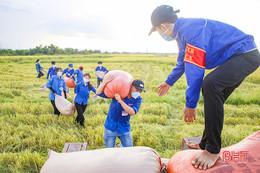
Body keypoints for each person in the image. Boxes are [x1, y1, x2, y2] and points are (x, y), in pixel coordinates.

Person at [149, 5, 260, 170]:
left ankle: (212, 150)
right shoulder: (182, 33)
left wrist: (190, 105)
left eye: (158, 30)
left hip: (244, 55)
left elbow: (195, 70)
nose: (161, 34)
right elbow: (182, 62)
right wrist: (169, 82)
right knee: (213, 96)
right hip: (238, 57)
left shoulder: (191, 30)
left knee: (210, 84)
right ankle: (205, 143)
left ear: (164, 25)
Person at [96, 76, 144, 148]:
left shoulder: (138, 99)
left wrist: (120, 101)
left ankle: (120, 147)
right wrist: (104, 82)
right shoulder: (120, 92)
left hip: (124, 127)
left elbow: (132, 112)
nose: (138, 92)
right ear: (131, 87)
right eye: (137, 90)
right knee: (109, 151)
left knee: (129, 150)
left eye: (140, 91)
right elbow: (98, 93)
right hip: (111, 127)